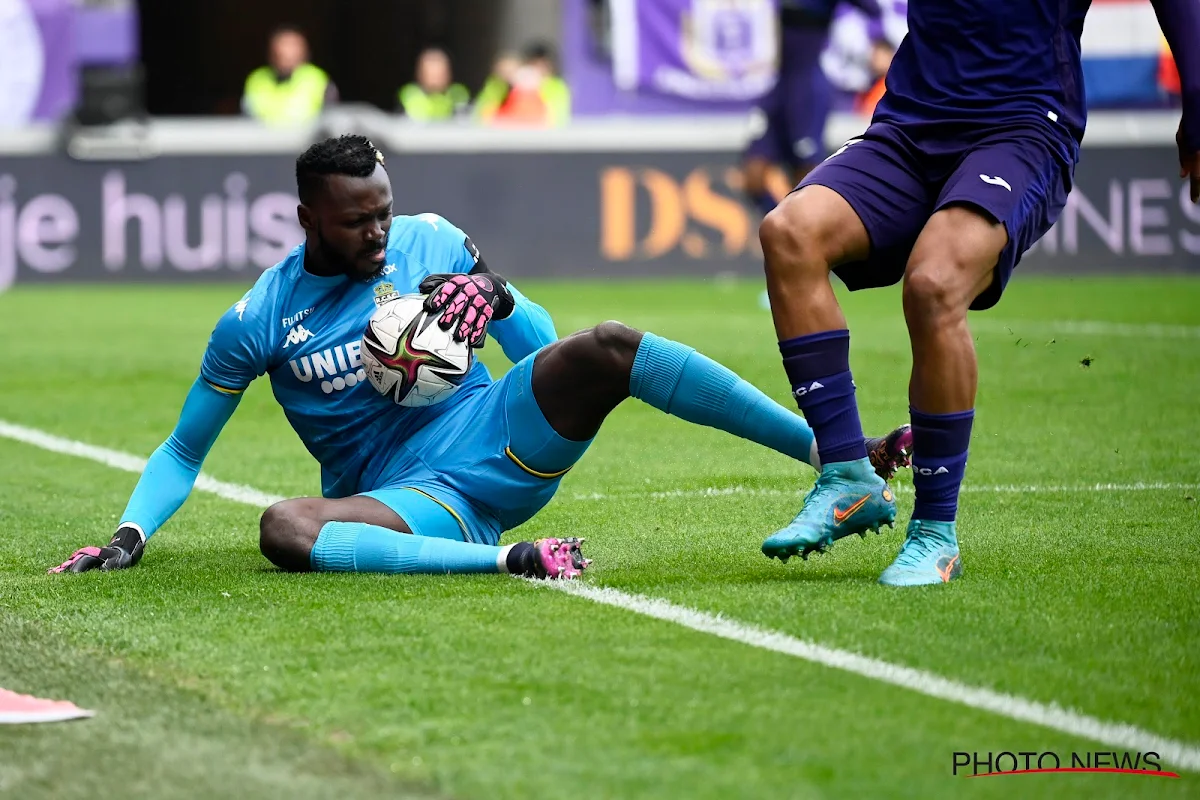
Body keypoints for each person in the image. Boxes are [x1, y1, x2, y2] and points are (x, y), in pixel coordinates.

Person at [49, 136, 913, 579]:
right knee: (285, 527)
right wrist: (128, 535)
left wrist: (497, 295)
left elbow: (545, 349)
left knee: (608, 348)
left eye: (384, 212)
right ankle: (510, 560)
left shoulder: (432, 241)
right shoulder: (260, 319)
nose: (380, 234)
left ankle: (836, 455)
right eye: (357, 221)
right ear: (309, 217)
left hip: (496, 427)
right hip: (412, 495)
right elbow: (185, 449)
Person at [758, 0, 1200, 585]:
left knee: (933, 285)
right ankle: (846, 478)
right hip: (910, 125)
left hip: (1021, 126)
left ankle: (935, 534)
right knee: (789, 233)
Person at [741, 0, 882, 218]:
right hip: (779, 87)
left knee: (805, 180)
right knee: (754, 176)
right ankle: (784, 228)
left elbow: (875, 11)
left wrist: (879, 44)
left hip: (806, 92)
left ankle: (812, 237)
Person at [242, 25, 338, 126]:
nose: (287, 53)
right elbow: (247, 118)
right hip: (264, 140)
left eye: (292, 47)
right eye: (282, 48)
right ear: (271, 52)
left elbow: (332, 120)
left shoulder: (318, 79)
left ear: (304, 52)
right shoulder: (256, 79)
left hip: (310, 140)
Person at [478, 42, 571, 127]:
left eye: (543, 64)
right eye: (534, 64)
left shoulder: (556, 86)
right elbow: (483, 116)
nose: (538, 68)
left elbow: (556, 119)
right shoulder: (500, 85)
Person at [398, 47, 469, 121]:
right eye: (431, 76)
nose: (435, 81)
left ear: (449, 75)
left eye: (439, 76)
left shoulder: (458, 97)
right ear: (420, 75)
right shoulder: (409, 96)